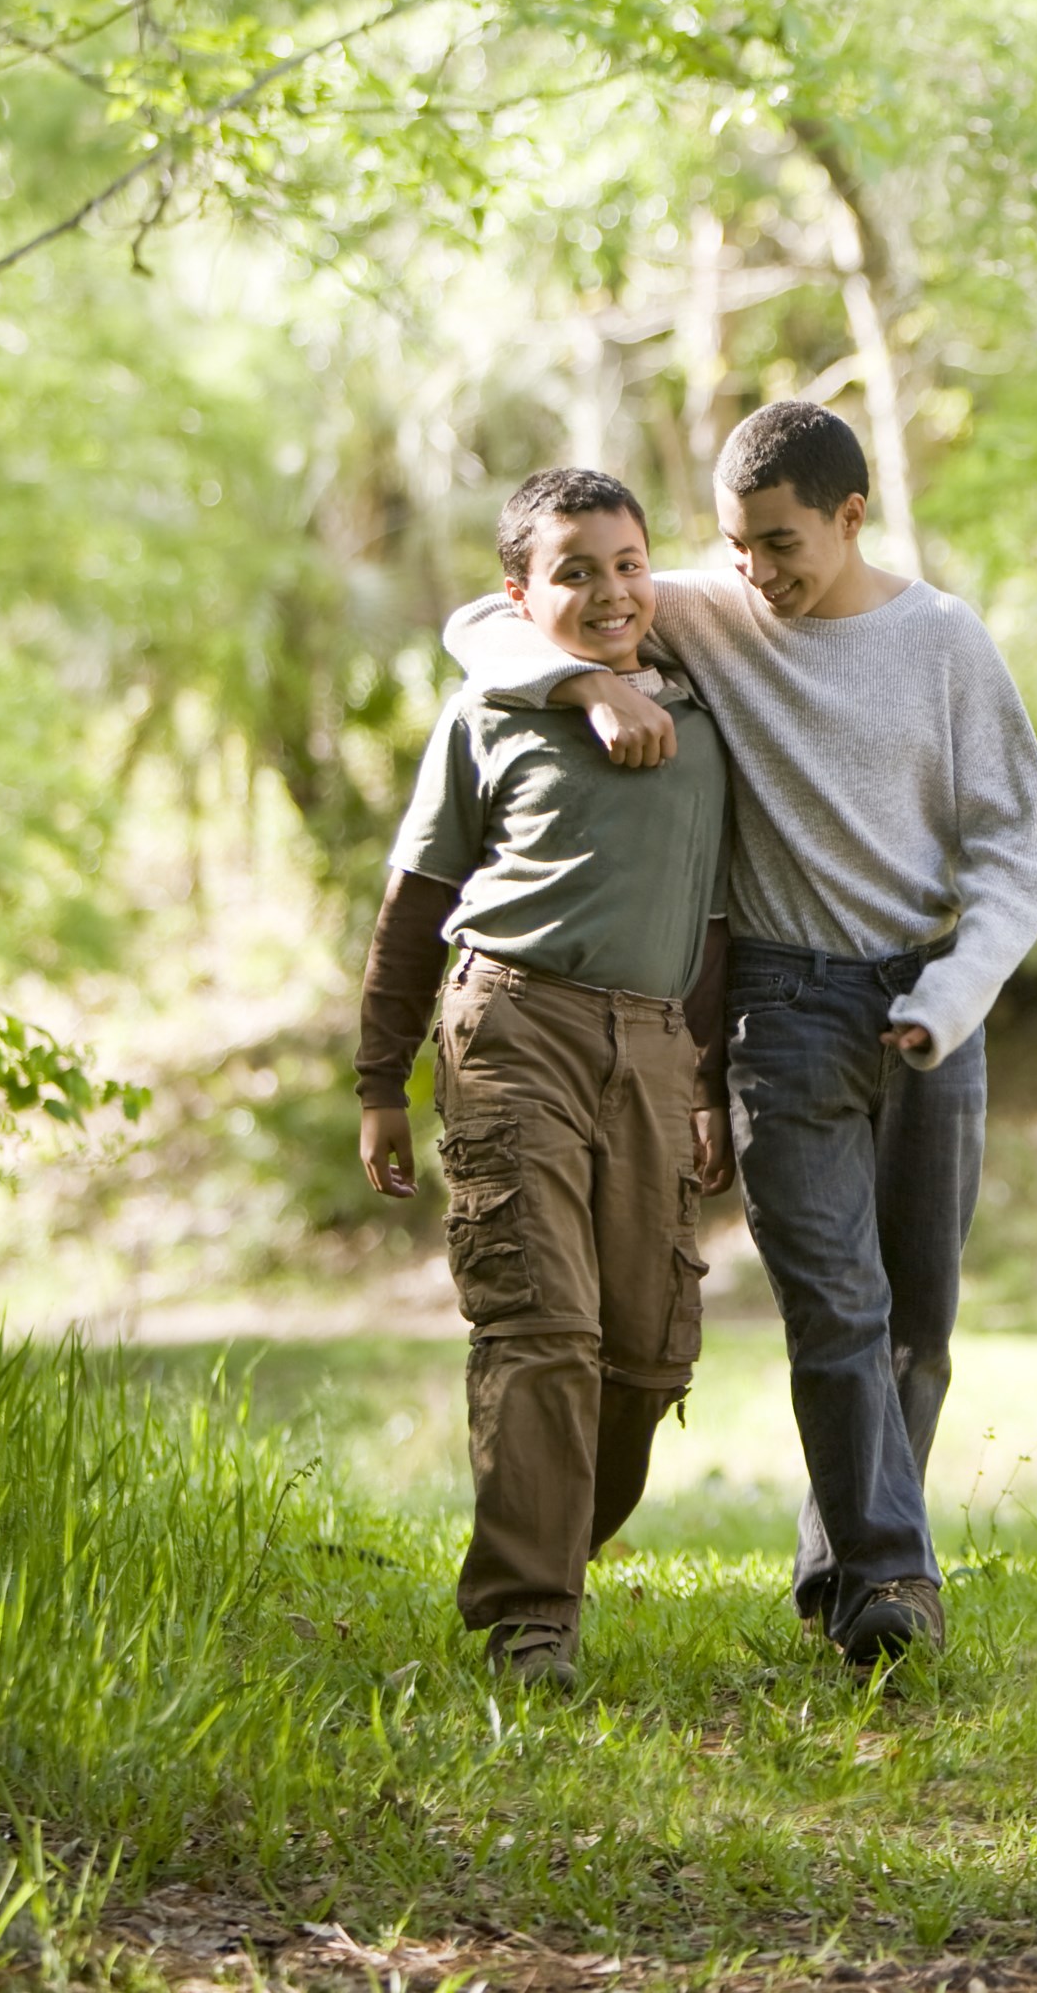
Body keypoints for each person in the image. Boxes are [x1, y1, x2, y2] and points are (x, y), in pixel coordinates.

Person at [443, 403, 1037, 1669]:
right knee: (834, 1303)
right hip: (783, 1001)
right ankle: (893, 1579)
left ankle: (846, 1570)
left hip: (933, 993)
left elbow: (1018, 846)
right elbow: (488, 620)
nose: (755, 572)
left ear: (851, 516)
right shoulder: (711, 613)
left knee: (916, 1325)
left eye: (780, 544)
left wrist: (954, 995)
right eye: (734, 545)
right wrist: (589, 682)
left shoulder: (943, 641)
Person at [356, 467, 734, 1691]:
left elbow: (713, 922)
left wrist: (707, 1081)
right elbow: (414, 905)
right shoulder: (487, 716)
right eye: (575, 572)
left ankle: (556, 1554)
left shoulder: (705, 713)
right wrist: (378, 1081)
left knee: (648, 1352)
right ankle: (530, 1621)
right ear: (521, 595)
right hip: (517, 1025)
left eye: (628, 564)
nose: (611, 592)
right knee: (542, 1325)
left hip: (656, 1046)